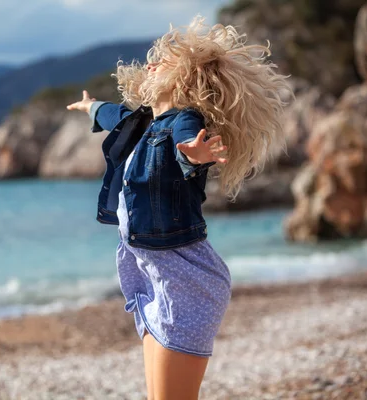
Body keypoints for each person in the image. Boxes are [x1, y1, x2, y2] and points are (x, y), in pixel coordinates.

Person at [66, 16, 291, 400]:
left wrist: (194, 155)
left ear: (186, 76)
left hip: (185, 280)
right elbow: (113, 115)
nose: (150, 64)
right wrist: (91, 107)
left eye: (164, 60)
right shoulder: (143, 123)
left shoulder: (185, 120)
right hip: (151, 275)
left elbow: (188, 143)